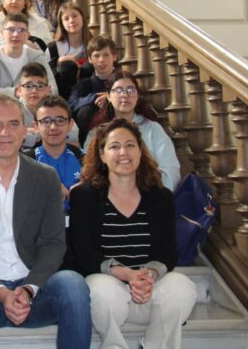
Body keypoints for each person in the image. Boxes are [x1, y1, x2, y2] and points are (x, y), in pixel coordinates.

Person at [0, 94, 91, 349]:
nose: (5, 132)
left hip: (33, 294)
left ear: (25, 131)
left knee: (73, 284)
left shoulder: (45, 177)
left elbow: (54, 244)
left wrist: (28, 289)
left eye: (13, 124)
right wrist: (0, 292)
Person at [66, 118, 196, 349]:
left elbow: (168, 252)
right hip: (110, 291)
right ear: (102, 155)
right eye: (114, 146)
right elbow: (83, 253)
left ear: (140, 151)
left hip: (148, 289)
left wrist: (149, 276)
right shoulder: (84, 196)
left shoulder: (161, 196)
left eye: (130, 145)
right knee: (99, 290)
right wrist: (125, 274)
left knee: (183, 286)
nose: (123, 152)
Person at [84, 72, 180, 190]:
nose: (125, 95)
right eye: (118, 90)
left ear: (138, 96)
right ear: (108, 96)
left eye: (130, 90)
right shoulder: (97, 132)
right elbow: (90, 171)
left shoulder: (153, 129)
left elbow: (171, 171)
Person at [23, 95, 83, 212]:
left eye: (60, 120)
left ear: (70, 124)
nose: (53, 127)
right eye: (46, 121)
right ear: (36, 126)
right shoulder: (25, 163)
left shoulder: (85, 159)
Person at [0, 13, 57, 100]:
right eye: (11, 29)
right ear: (2, 33)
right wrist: (16, 91)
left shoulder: (37, 58)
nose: (16, 34)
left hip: (30, 109)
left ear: (27, 35)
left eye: (21, 30)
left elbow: (53, 90)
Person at [68, 34, 119, 145]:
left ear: (114, 56)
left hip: (120, 132)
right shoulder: (83, 85)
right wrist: (95, 97)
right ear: (90, 59)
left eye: (106, 55)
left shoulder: (124, 81)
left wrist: (112, 97)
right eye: (96, 56)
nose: (101, 60)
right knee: (85, 110)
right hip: (90, 139)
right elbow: (71, 105)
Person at [15, 63, 78, 150]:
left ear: (49, 89)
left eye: (40, 86)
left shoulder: (55, 106)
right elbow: (15, 137)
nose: (34, 91)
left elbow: (74, 132)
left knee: (73, 145)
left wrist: (37, 133)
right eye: (28, 86)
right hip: (24, 157)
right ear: (19, 90)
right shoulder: (13, 111)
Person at [46, 2, 91, 99]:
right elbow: (48, 78)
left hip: (88, 97)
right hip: (62, 98)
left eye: (75, 16)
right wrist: (60, 62)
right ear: (61, 23)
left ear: (82, 17)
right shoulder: (53, 48)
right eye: (66, 18)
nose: (71, 21)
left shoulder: (94, 45)